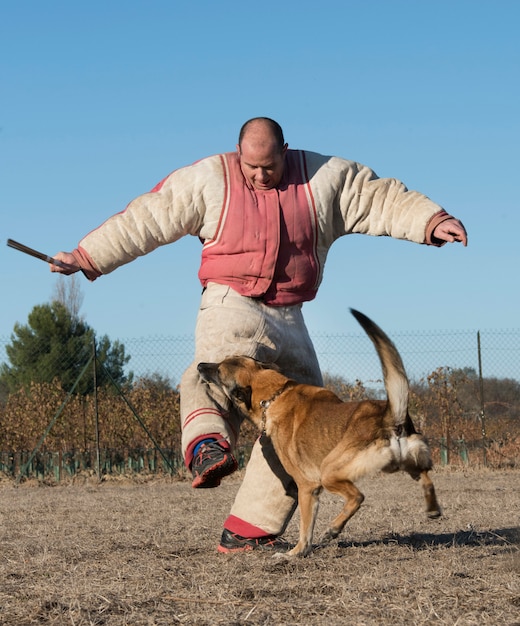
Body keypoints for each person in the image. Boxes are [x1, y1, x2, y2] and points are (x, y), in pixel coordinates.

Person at [51, 117, 467, 553]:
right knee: (214, 368)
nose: (259, 175)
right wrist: (85, 256)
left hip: (291, 316)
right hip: (230, 302)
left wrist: (429, 221)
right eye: (251, 166)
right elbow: (149, 217)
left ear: (285, 151)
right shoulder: (211, 178)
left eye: (268, 166)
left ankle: (251, 528)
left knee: (305, 431)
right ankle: (209, 445)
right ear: (238, 153)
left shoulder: (323, 178)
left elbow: (377, 197)